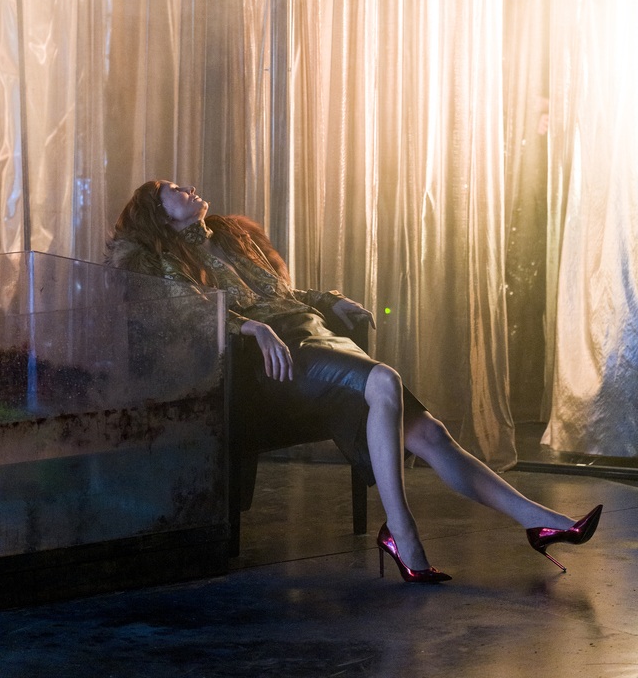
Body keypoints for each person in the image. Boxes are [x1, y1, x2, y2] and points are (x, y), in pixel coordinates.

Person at [106, 179, 603, 584]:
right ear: (158, 212)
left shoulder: (231, 237)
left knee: (430, 434)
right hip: (279, 363)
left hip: (317, 338)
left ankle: (543, 523)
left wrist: (329, 300)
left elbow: (283, 294)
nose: (189, 188)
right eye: (174, 189)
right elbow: (190, 311)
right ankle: (402, 534)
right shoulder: (165, 259)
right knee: (384, 380)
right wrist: (250, 327)